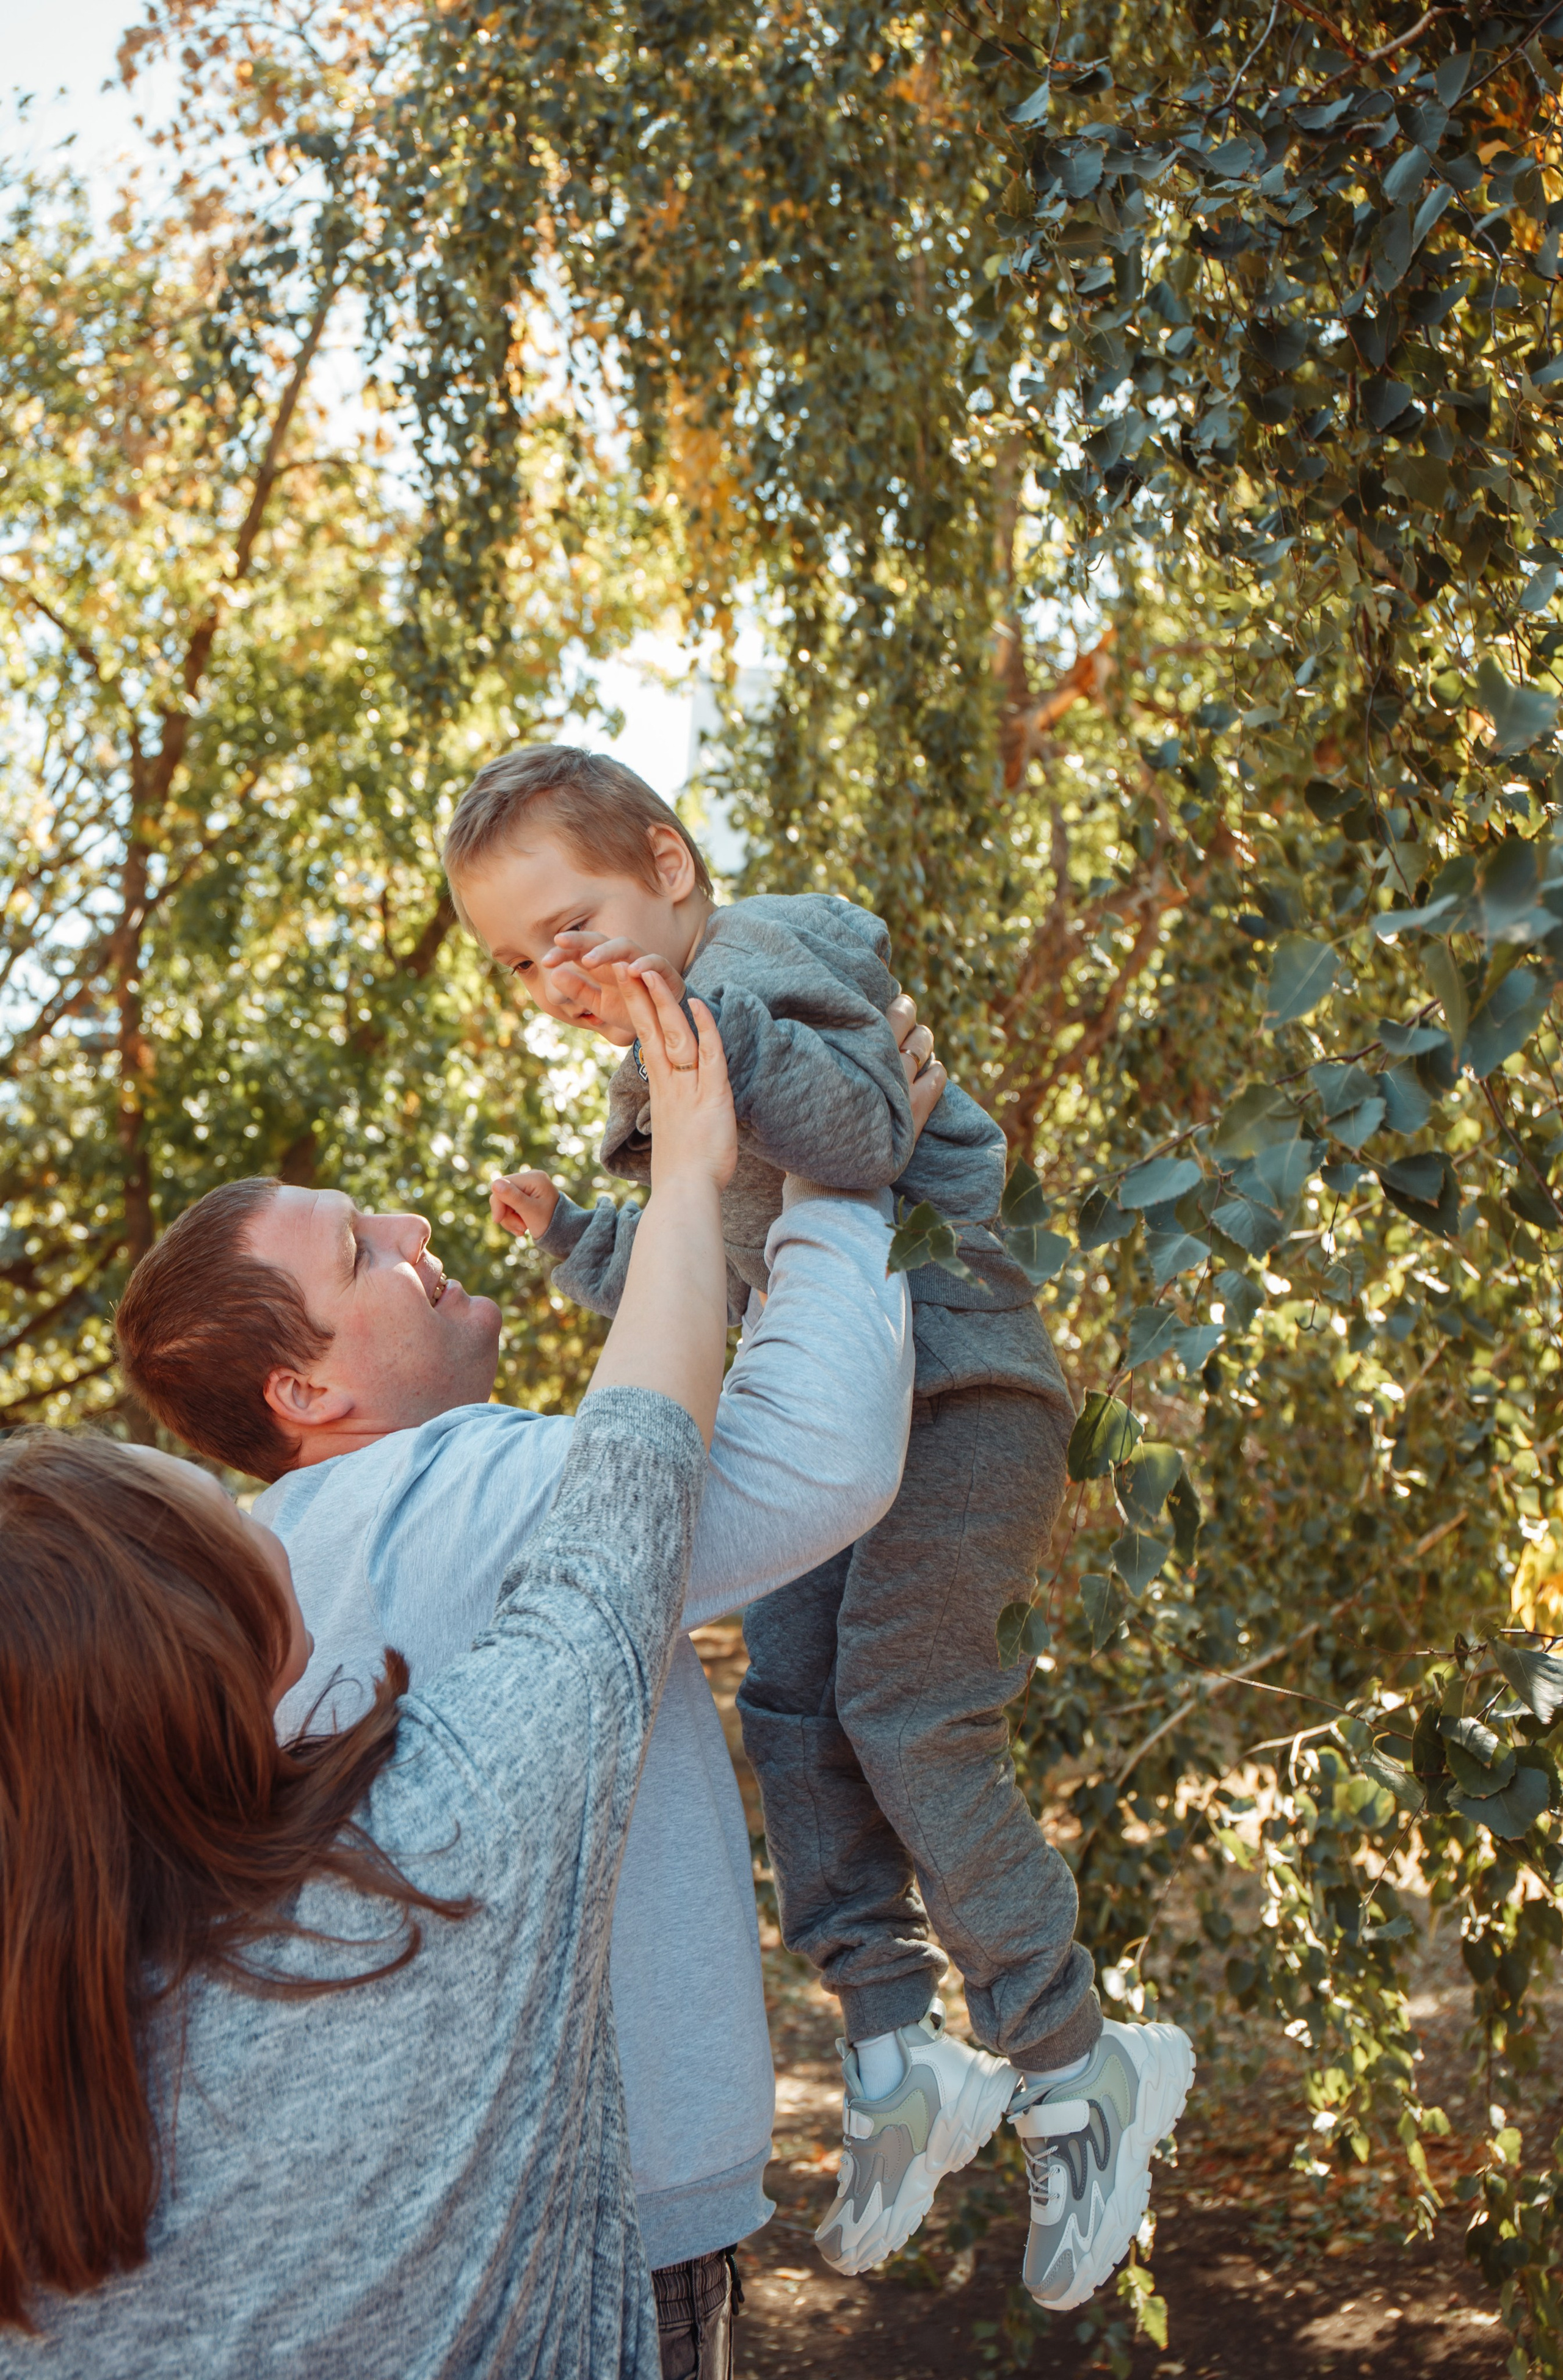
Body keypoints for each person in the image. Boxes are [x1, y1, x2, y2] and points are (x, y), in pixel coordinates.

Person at [446, 744, 1195, 2313]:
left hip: (956, 1399)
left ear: (666, 863)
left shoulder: (764, 957)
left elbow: (859, 1133)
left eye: (568, 927)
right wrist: (581, 1234)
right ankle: (892, 2046)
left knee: (904, 1709)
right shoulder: (663, 1051)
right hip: (819, 1427)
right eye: (520, 960)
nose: (552, 976)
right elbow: (703, 1265)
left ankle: (1074, 2055)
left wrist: (705, 1048)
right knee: (785, 1705)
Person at [114, 1004, 938, 2379]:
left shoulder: (244, 1575)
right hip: (608, 2232)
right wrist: (838, 1180)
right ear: (305, 1383)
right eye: (356, 1251)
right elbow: (816, 1453)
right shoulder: (463, 1481)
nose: (403, 1229)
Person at [0, 970, 735, 2378]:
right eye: (203, 1516)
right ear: (207, 1638)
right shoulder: (439, 1853)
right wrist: (702, 1179)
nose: (244, 1505)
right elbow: (629, 1485)